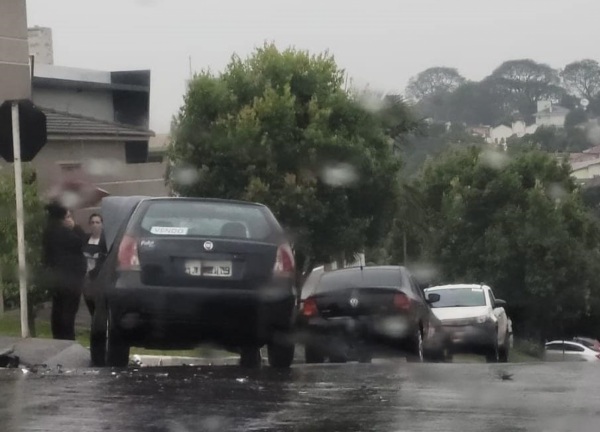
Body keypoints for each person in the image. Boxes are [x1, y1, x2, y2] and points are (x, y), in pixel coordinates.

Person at [42, 202, 87, 340]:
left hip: (59, 277)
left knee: (59, 308)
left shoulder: (49, 230)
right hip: (69, 278)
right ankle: (66, 337)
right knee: (67, 310)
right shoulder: (61, 232)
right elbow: (81, 242)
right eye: (67, 216)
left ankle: (59, 335)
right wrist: (75, 227)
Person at [82, 213, 107, 316]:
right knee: (90, 304)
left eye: (97, 222)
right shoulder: (85, 239)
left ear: (102, 224)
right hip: (86, 279)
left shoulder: (105, 242)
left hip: (99, 279)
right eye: (92, 222)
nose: (95, 225)